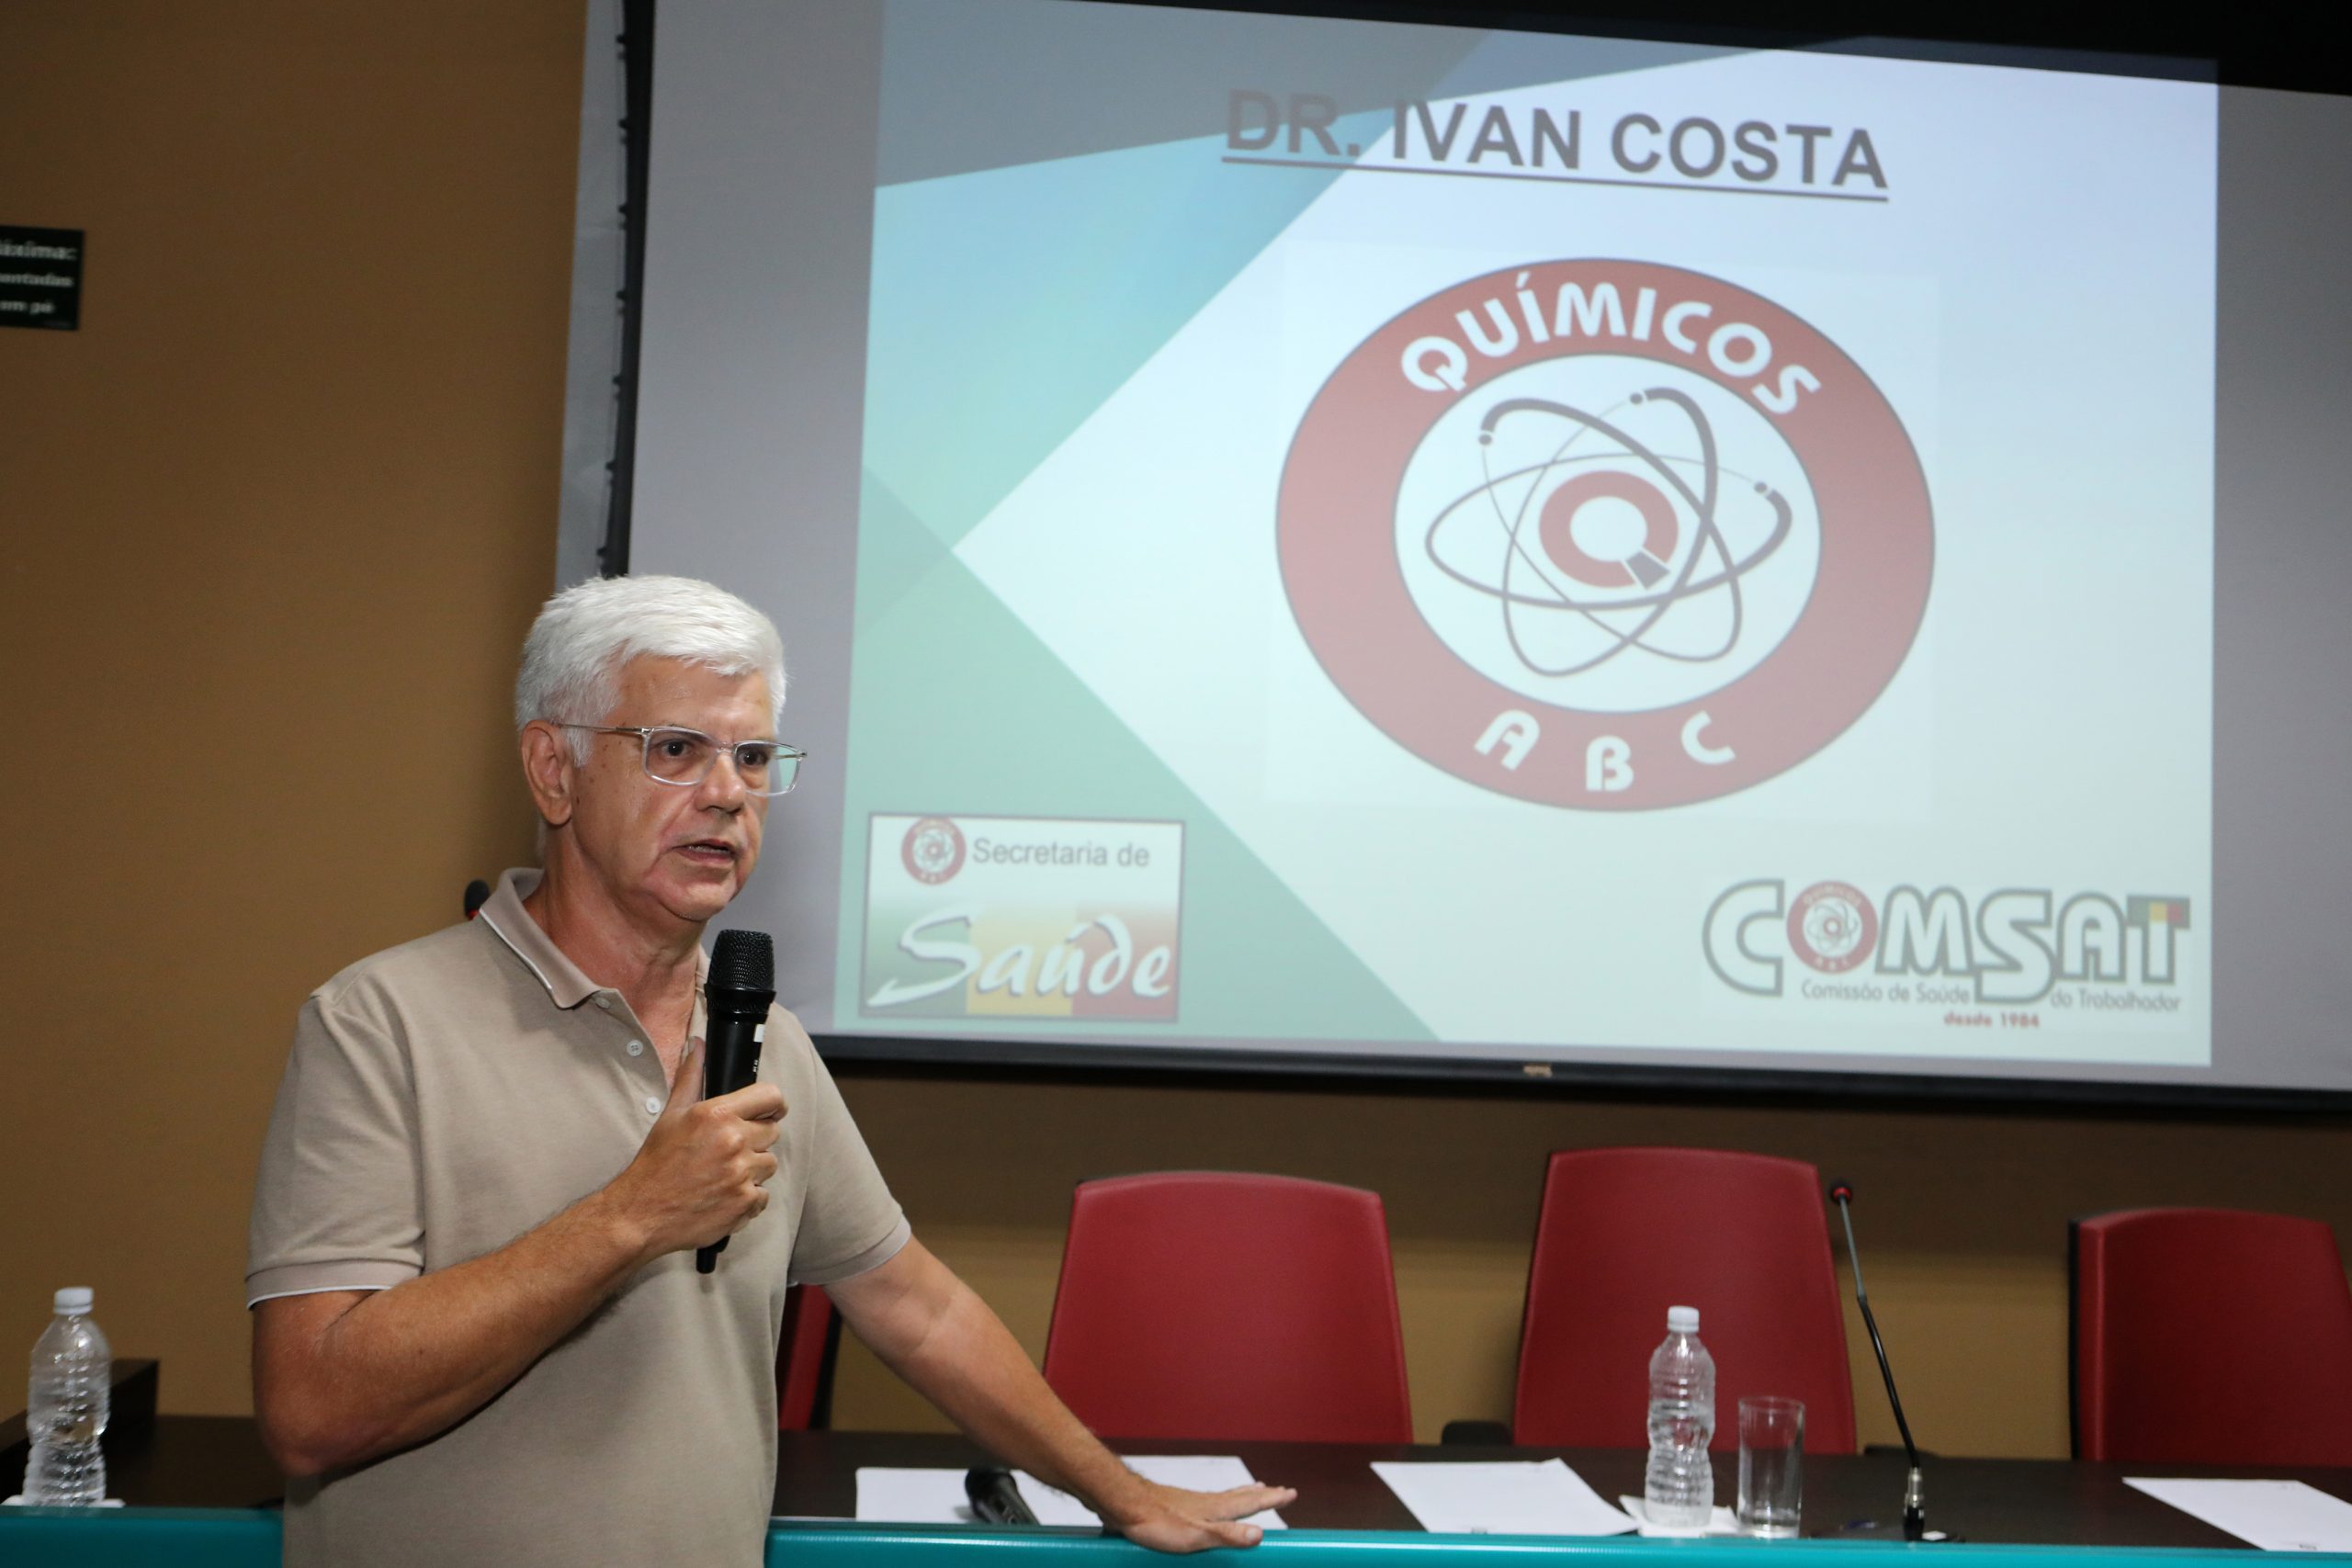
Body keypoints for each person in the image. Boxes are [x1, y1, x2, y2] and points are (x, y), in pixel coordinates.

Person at [247, 575, 1293, 1567]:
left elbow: (912, 1307)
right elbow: (312, 1410)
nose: (725, 795)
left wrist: (1119, 1491)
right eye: (675, 750)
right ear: (552, 770)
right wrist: (631, 1216)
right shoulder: (378, 1024)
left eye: (753, 758)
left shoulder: (759, 1037)